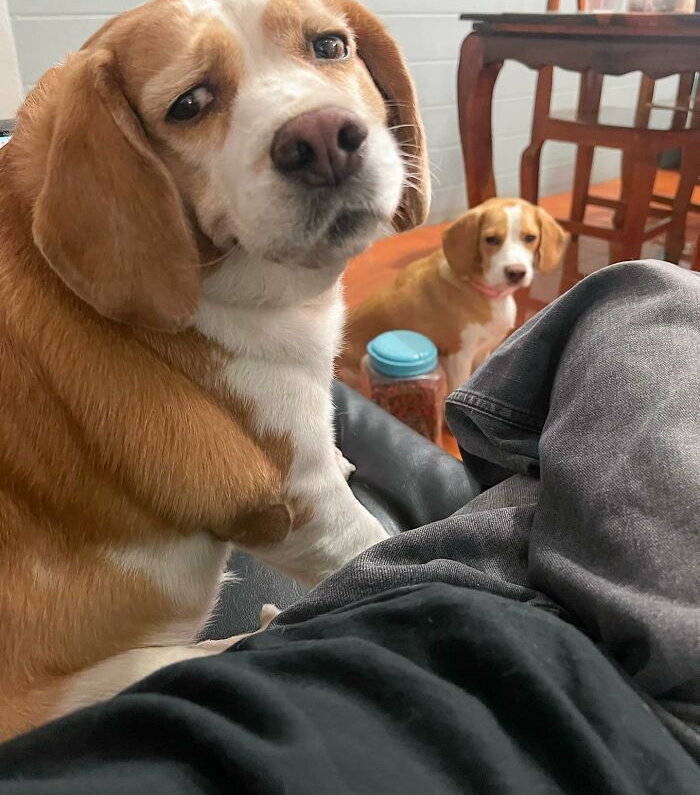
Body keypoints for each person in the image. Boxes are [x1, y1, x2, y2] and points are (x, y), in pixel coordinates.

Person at [0, 260, 698, 793]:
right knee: (647, 293)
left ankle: (520, 474)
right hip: (648, 695)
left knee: (638, 312)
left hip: (407, 620)